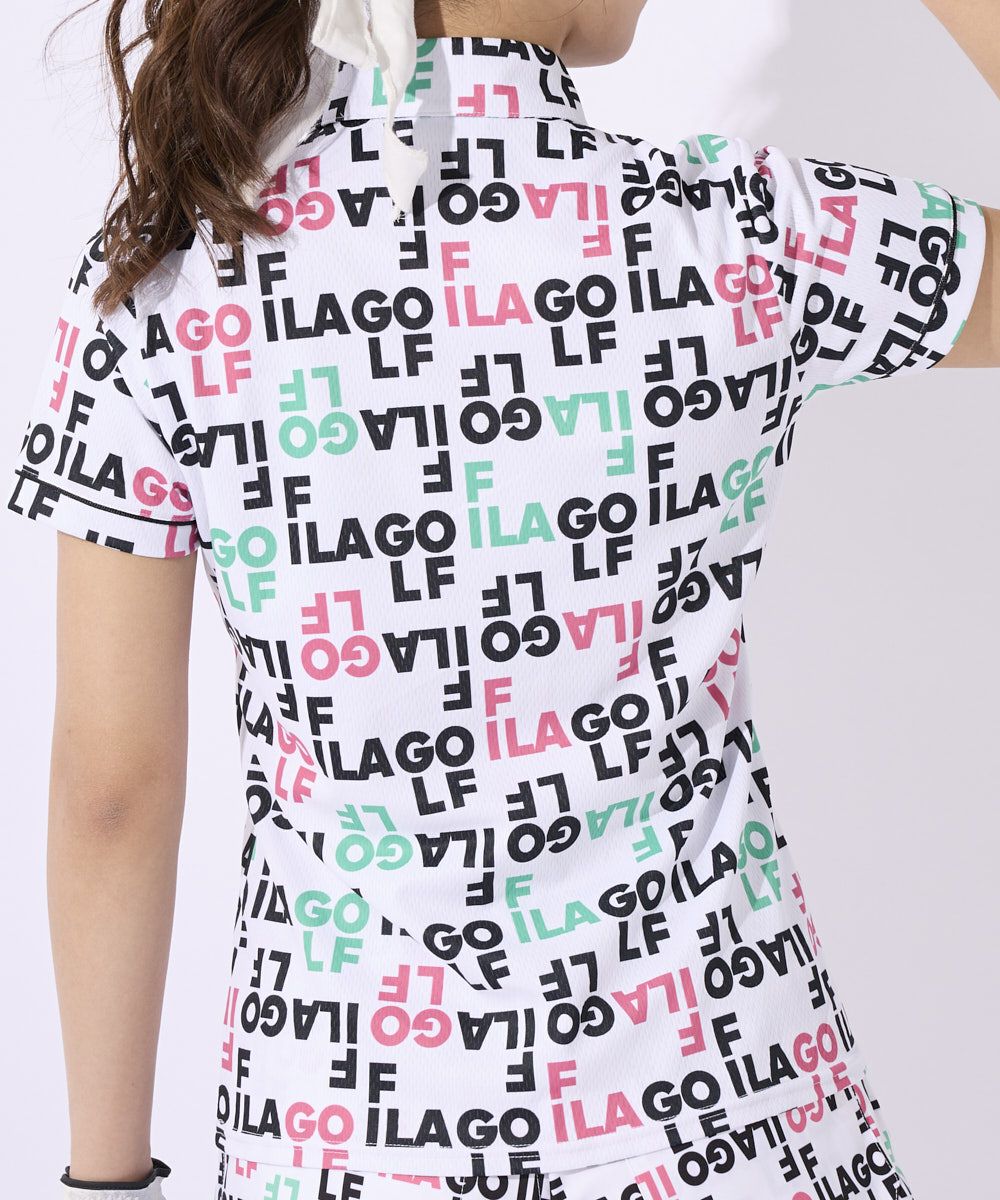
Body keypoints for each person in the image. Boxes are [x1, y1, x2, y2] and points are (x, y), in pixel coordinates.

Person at [5, 0, 996, 1197]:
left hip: (338, 1136)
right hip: (731, 1119)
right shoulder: (743, 232)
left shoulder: (161, 284)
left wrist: (107, 1179)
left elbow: (109, 791)